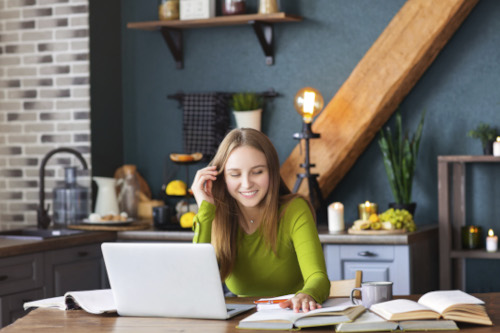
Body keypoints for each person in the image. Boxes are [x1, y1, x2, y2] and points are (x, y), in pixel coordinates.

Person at [191, 128, 330, 312]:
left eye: (257, 172)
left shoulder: (294, 210)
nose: (247, 183)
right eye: (235, 174)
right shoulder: (216, 216)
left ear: (271, 172)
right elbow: (197, 283)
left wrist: (308, 295)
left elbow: (318, 276)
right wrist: (205, 210)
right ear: (221, 177)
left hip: (293, 317)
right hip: (241, 320)